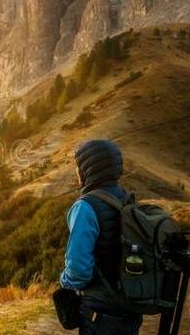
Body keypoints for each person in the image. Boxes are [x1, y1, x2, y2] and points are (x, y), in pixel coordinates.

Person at [60, 139, 142, 334]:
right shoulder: (128, 199)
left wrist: (64, 281)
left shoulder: (85, 207)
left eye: (78, 166)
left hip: (100, 314)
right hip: (129, 310)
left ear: (88, 169)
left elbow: (78, 270)